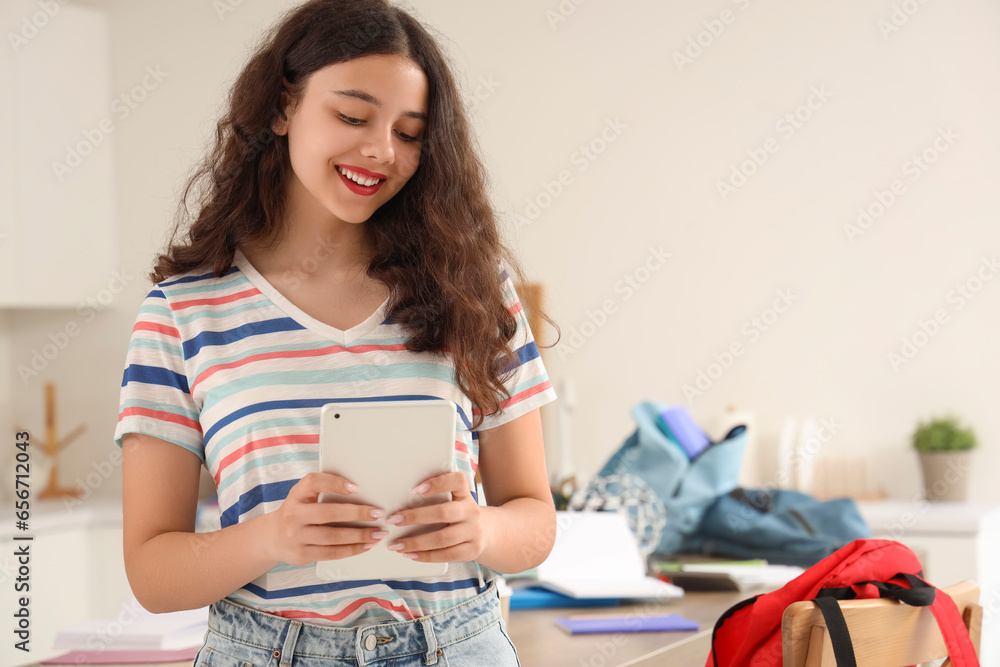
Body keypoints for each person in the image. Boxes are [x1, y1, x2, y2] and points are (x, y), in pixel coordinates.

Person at [115, 1, 559, 665]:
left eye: (409, 133)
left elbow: (535, 522)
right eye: (352, 116)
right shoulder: (183, 312)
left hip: (458, 642)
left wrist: (479, 527)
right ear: (282, 107)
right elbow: (153, 572)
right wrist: (273, 537)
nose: (381, 149)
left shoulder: (473, 291)